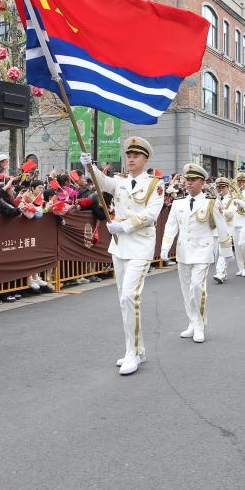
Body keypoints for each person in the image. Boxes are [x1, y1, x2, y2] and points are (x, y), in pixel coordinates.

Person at [81, 137, 164, 376]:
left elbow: (150, 214)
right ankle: (136, 348)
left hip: (139, 245)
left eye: (135, 156)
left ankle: (132, 353)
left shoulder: (155, 185)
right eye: (128, 155)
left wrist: (124, 226)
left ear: (145, 159)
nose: (130, 159)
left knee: (130, 296)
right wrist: (90, 167)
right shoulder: (120, 181)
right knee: (123, 299)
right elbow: (102, 182)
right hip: (120, 247)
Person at [160, 164, 224, 343]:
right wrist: (165, 246)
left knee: (197, 287)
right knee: (186, 290)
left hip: (203, 250)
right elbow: (171, 226)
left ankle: (200, 324)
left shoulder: (211, 202)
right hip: (183, 251)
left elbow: (222, 226)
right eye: (187, 179)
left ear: (202, 183)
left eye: (193, 180)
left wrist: (226, 251)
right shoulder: (178, 203)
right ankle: (192, 321)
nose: (188, 183)